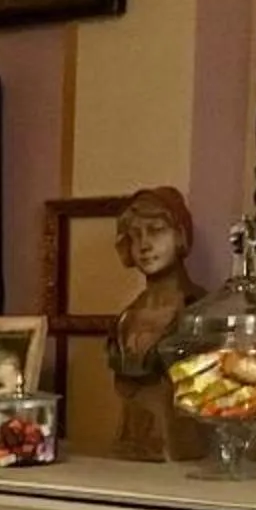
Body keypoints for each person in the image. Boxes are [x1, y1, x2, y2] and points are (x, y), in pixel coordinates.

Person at [103, 185, 205, 462]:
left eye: (156, 231)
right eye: (135, 236)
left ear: (180, 235)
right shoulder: (127, 316)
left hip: (180, 454)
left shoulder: (199, 310)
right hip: (128, 453)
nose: (144, 245)